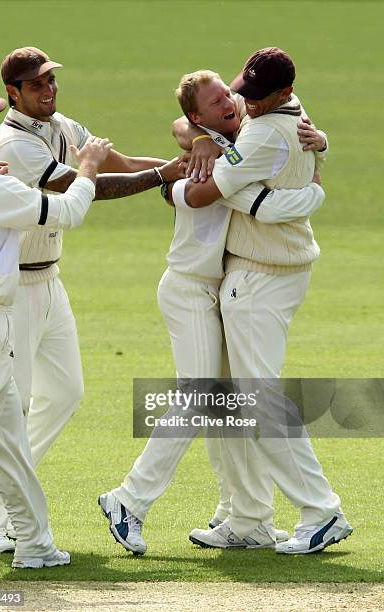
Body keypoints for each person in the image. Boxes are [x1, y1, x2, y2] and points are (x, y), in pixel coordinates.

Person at [0, 46, 184, 553]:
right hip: (7, 290)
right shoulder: (14, 143)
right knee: (3, 411)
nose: (49, 90)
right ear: (13, 93)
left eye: (52, 80)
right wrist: (159, 178)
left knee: (64, 392)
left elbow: (117, 162)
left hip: (48, 281)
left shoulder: (61, 125)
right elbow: (82, 189)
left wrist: (183, 166)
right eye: (37, 84)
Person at [98, 69, 328, 555]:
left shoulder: (247, 131)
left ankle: (248, 519)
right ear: (197, 115)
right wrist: (203, 146)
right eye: (215, 103)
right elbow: (199, 184)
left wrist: (318, 144)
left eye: (229, 94)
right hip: (188, 289)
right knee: (201, 396)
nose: (229, 104)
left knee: (230, 410)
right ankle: (129, 499)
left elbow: (273, 127)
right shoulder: (197, 167)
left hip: (222, 290)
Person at [168, 48, 352, 554]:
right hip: (268, 271)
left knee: (259, 402)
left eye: (254, 96)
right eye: (239, 90)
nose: (242, 102)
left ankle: (321, 510)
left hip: (260, 278)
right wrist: (202, 137)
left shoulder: (268, 133)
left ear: (285, 94)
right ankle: (246, 519)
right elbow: (186, 128)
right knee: (234, 401)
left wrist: (185, 180)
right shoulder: (280, 110)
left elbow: (209, 190)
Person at [0, 86, 111, 567]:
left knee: (7, 440)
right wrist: (86, 168)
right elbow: (68, 210)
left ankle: (35, 544)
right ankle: (15, 537)